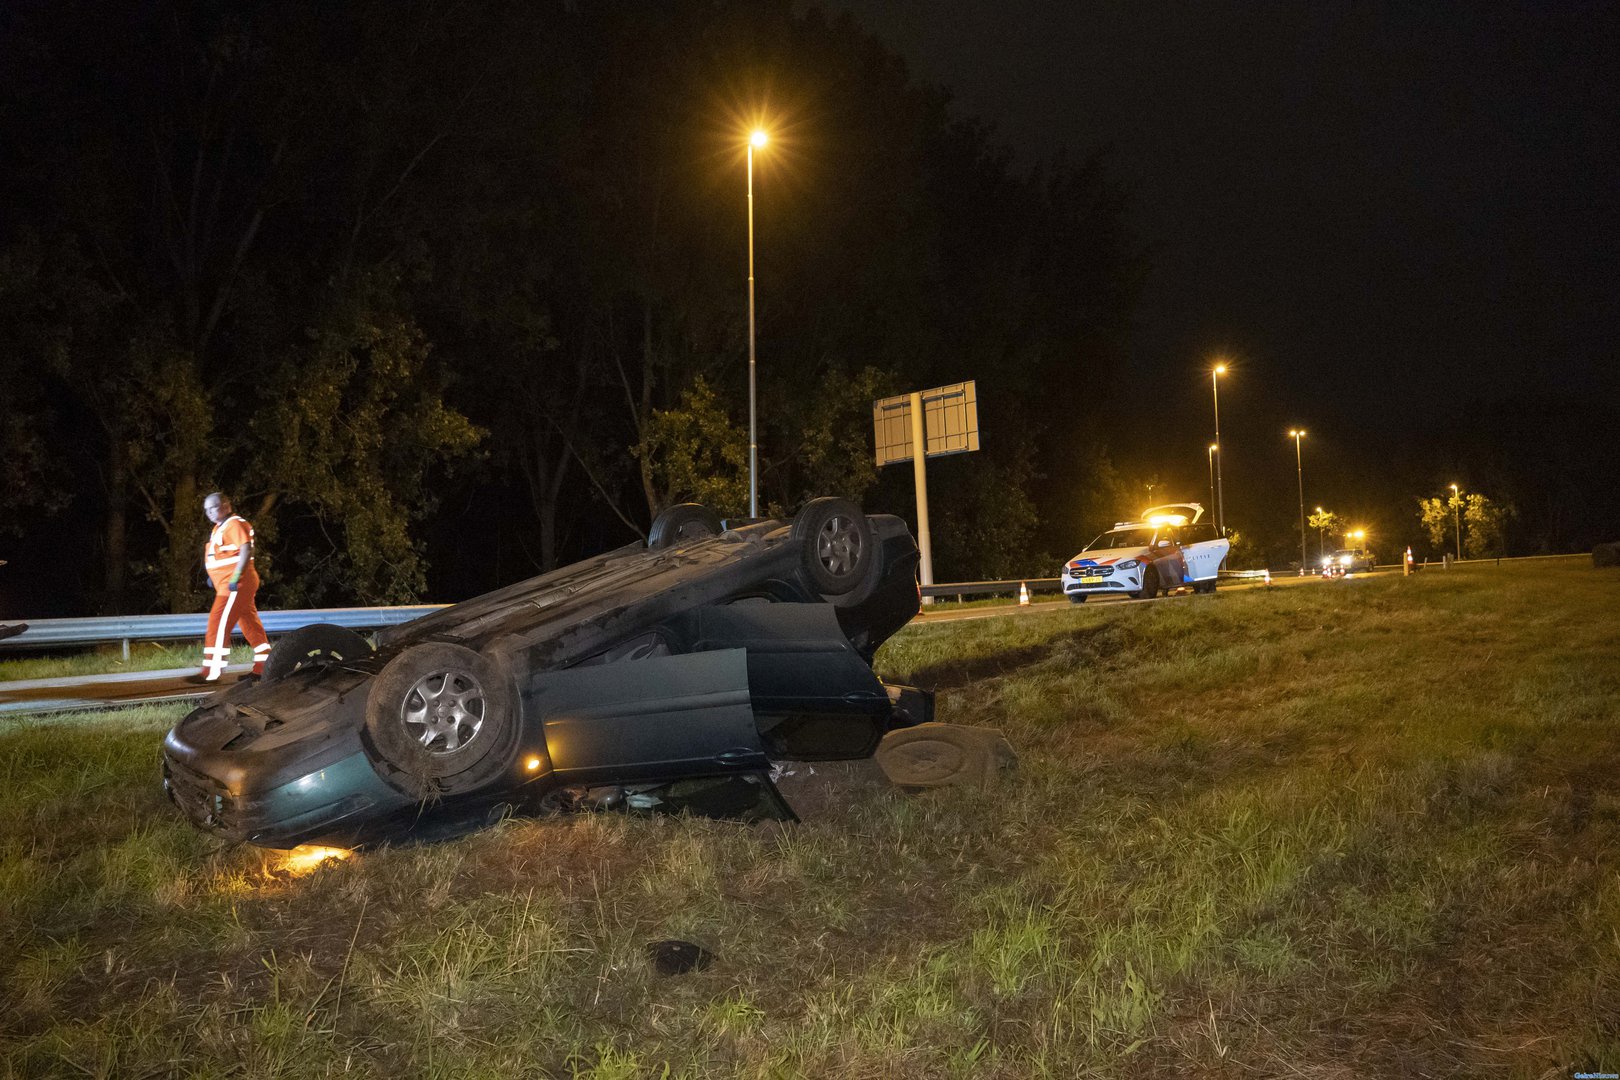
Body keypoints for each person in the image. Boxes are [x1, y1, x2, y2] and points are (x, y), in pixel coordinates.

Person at [192, 492, 271, 683]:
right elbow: (223, 556)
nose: (209, 512)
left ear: (226, 506)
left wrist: (235, 576)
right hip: (228, 583)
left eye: (214, 507)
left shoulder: (234, 523)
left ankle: (211, 671)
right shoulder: (218, 528)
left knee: (217, 623)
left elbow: (245, 548)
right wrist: (214, 577)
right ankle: (265, 666)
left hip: (236, 584)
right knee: (249, 624)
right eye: (207, 509)